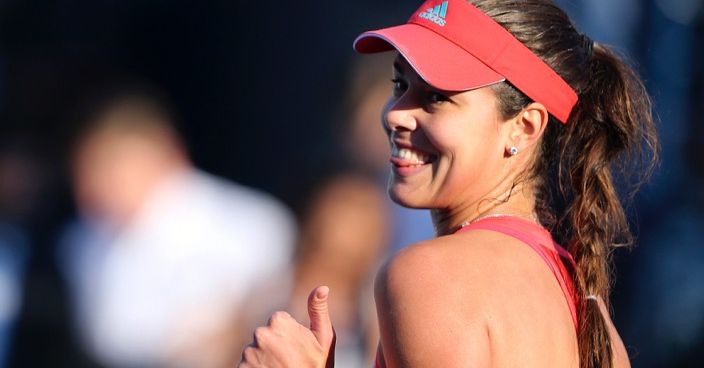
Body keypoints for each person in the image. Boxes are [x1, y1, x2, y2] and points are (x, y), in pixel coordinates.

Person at [237, 0, 658, 367]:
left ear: (524, 128)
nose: (395, 114)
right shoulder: (591, 312)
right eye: (400, 85)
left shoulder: (427, 276)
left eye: (438, 96)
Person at [58, 83, 297, 368]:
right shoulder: (78, 241)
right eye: (89, 171)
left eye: (114, 166)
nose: (97, 187)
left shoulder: (254, 225)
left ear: (169, 153)